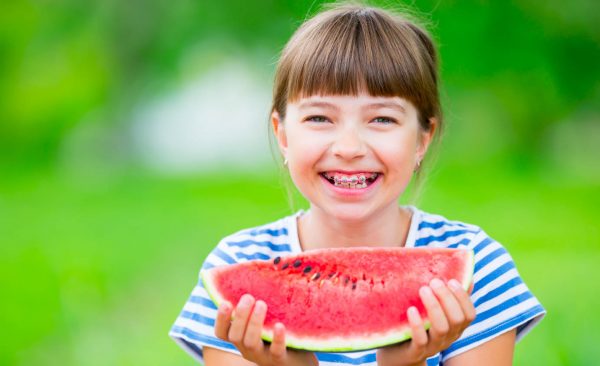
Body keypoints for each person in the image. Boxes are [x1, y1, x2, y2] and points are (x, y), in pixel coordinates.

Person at [169, 3, 545, 365]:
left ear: (422, 139)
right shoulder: (238, 265)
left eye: (382, 119)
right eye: (319, 118)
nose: (349, 148)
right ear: (282, 135)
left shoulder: (479, 269)